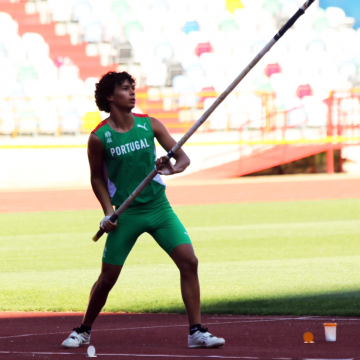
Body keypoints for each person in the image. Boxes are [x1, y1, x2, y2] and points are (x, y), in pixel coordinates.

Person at [61, 71, 225, 349]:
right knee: (108, 278)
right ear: (111, 97)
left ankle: (196, 332)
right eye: (125, 89)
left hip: (159, 207)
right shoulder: (99, 137)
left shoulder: (150, 124)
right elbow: (97, 178)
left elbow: (183, 159)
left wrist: (169, 168)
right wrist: (107, 211)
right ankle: (83, 329)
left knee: (189, 261)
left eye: (132, 88)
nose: (132, 93)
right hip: (126, 214)